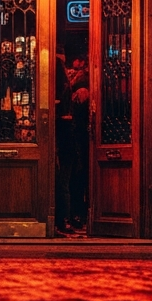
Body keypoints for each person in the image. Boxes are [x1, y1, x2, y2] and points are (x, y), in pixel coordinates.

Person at [66, 53, 90, 229]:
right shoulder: (80, 90)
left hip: (79, 138)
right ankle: (78, 213)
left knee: (77, 176)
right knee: (77, 176)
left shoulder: (80, 91)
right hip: (78, 138)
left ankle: (78, 213)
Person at [54, 50, 74, 235]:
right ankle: (63, 220)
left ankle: (61, 220)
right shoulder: (67, 115)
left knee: (61, 182)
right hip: (68, 146)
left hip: (64, 145)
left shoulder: (60, 118)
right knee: (64, 183)